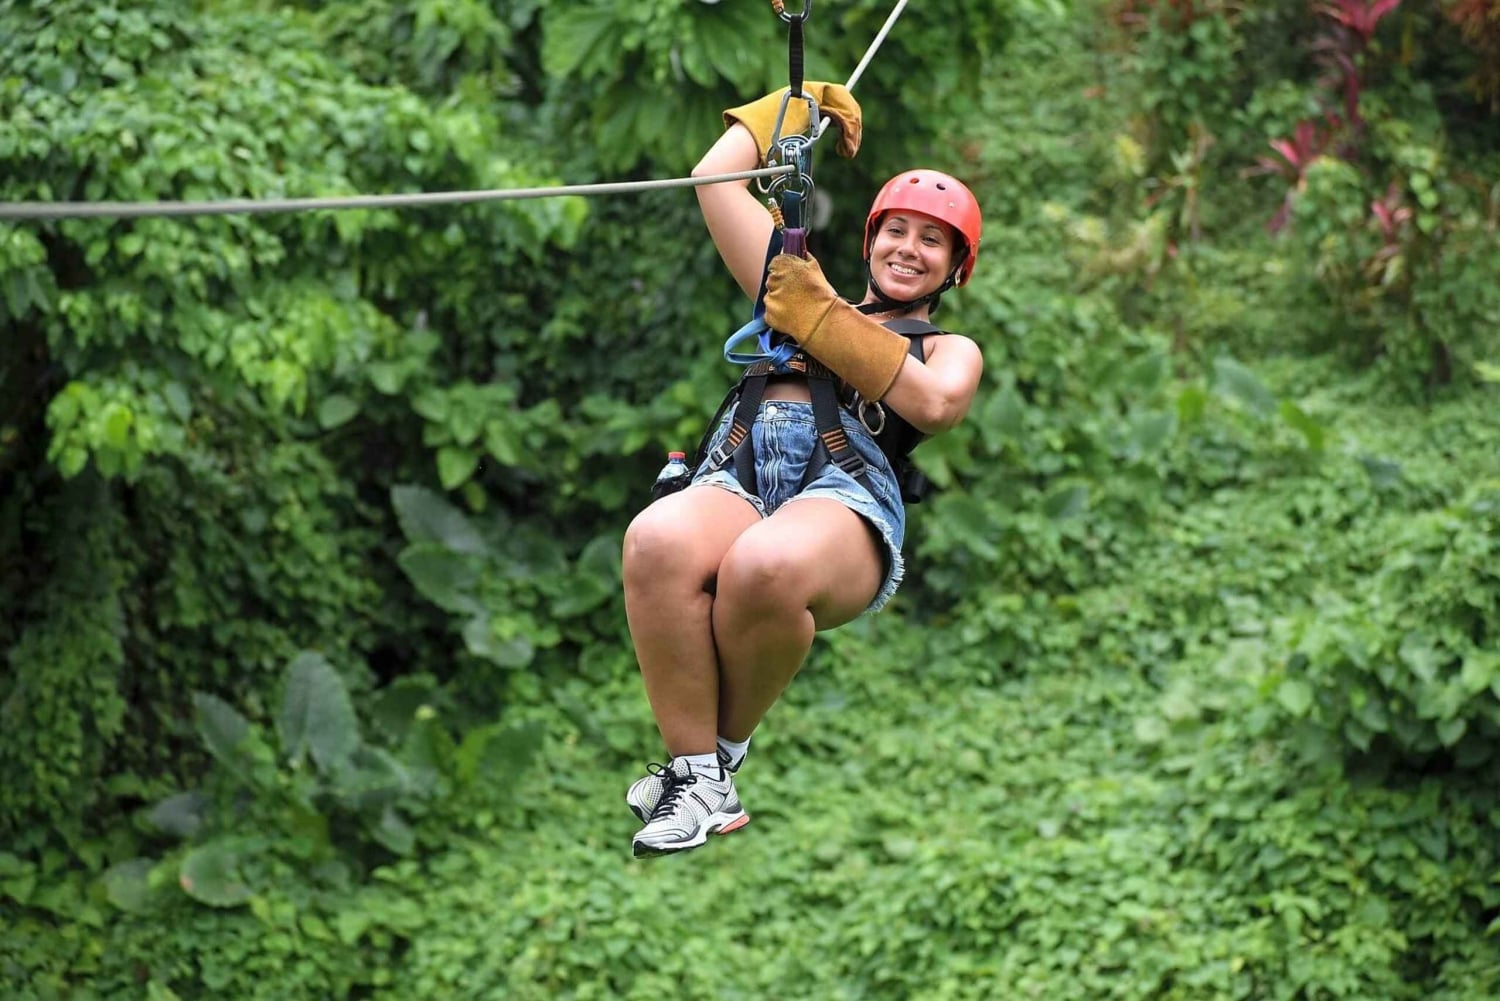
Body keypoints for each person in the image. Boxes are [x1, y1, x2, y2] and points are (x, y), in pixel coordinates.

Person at [620, 82, 985, 858]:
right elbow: (714, 180)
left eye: (932, 241)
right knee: (654, 540)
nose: (908, 249)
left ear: (955, 268)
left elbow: (934, 400)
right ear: (870, 239)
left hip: (844, 494)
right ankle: (700, 777)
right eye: (897, 230)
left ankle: (717, 752)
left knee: (767, 564)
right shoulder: (795, 284)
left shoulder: (943, 347)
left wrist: (817, 315)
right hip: (742, 469)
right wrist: (790, 113)